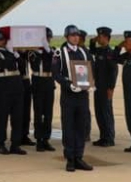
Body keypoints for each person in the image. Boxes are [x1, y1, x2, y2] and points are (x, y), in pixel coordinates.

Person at [54, 25, 93, 172]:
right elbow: (56, 73)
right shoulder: (60, 53)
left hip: (82, 95)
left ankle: (79, 157)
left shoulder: (84, 51)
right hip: (69, 95)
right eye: (72, 35)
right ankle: (70, 158)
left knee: (81, 126)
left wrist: (90, 83)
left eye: (77, 35)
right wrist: (68, 84)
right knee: (69, 126)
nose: (75, 37)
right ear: (67, 37)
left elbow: (90, 68)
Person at [0, 30, 27, 155]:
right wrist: (12, 55)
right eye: (0, 40)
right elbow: (1, 65)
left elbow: (22, 66)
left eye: (4, 39)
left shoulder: (11, 52)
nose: (3, 42)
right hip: (3, 88)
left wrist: (16, 54)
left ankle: (15, 144)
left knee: (17, 117)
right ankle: (1, 143)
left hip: (16, 87)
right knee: (2, 117)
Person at [28, 28, 56, 152]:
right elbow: (35, 64)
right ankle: (39, 139)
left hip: (49, 82)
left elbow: (52, 62)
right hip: (38, 81)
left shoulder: (52, 50)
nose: (48, 40)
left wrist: (47, 49)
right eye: (46, 38)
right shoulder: (33, 52)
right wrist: (41, 50)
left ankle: (46, 139)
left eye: (49, 38)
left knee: (48, 113)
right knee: (38, 112)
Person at [91, 26, 117, 147]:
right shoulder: (100, 51)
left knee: (106, 112)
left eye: (100, 36)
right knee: (99, 112)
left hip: (106, 87)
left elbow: (113, 71)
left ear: (106, 37)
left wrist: (111, 88)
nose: (98, 38)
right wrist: (93, 40)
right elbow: (91, 49)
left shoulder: (110, 53)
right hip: (98, 86)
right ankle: (103, 136)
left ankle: (109, 138)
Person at [78, 29, 92, 142]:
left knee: (83, 110)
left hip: (82, 83)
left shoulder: (84, 52)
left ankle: (85, 133)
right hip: (77, 83)